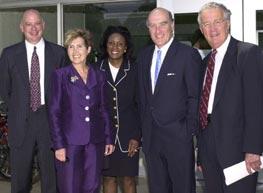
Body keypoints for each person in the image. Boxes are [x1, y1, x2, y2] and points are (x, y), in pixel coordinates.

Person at [0, 9, 69, 193]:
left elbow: (66, 91)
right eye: (28, 24)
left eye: (37, 23)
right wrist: (16, 110)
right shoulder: (8, 54)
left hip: (50, 121)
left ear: (43, 26)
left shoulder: (59, 53)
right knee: (20, 180)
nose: (33, 28)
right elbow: (4, 89)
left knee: (51, 179)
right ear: (21, 27)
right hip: (21, 122)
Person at [197, 2, 263, 193]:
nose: (212, 28)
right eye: (207, 24)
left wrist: (253, 149)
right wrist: (201, 154)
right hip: (209, 148)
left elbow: (256, 106)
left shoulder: (248, 53)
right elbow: (204, 108)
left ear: (228, 23)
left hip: (238, 150)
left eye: (217, 21)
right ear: (202, 30)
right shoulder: (204, 63)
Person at [137, 7, 202, 193]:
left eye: (163, 24)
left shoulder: (187, 55)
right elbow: (142, 98)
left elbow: (194, 97)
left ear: (172, 25)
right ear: (148, 29)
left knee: (182, 188)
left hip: (178, 139)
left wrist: (187, 130)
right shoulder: (143, 57)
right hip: (151, 140)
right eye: (152, 26)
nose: (158, 31)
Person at [48, 28, 115, 193]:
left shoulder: (99, 75)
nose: (75, 51)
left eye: (79, 46)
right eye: (71, 47)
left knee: (92, 187)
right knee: (70, 188)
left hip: (95, 142)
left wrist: (109, 138)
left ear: (88, 49)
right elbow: (54, 112)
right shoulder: (60, 75)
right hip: (70, 144)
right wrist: (58, 145)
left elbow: (104, 109)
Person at [97, 26, 141, 193]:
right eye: (111, 43)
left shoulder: (135, 70)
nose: (115, 47)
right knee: (108, 178)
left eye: (119, 44)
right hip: (104, 137)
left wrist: (137, 136)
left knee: (129, 179)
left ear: (126, 47)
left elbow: (140, 106)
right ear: (105, 45)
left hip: (129, 136)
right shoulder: (95, 69)